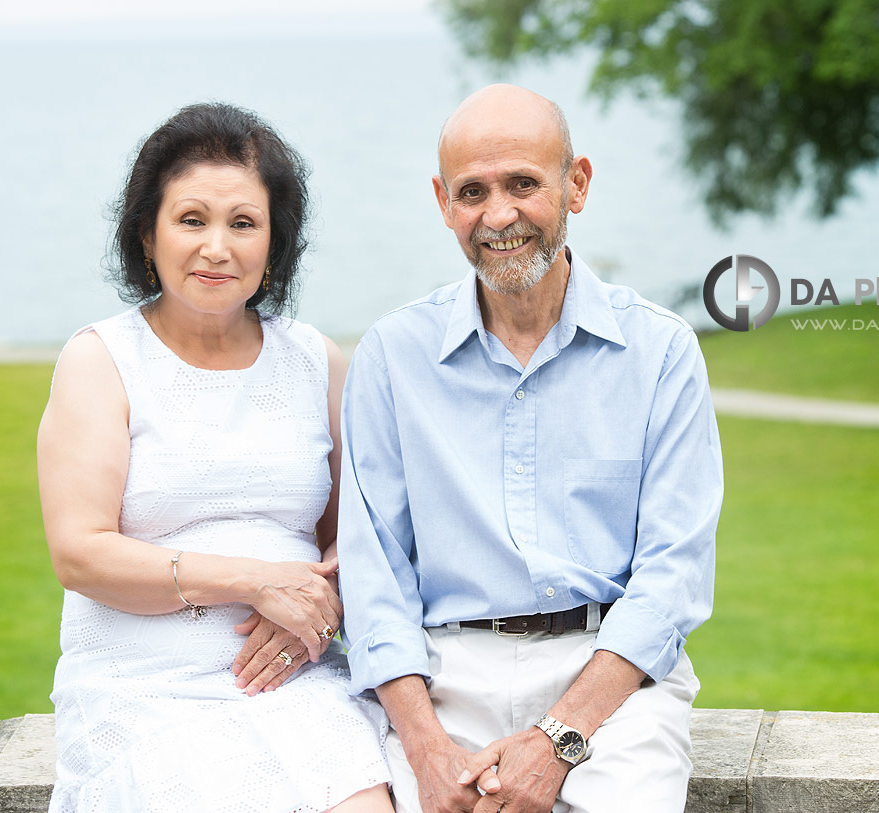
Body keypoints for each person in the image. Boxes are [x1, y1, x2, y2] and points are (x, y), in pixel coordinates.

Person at [336, 84, 724, 813]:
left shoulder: (660, 351)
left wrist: (556, 739)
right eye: (472, 191)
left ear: (576, 183)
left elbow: (671, 575)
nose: (499, 215)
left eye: (524, 183)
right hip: (440, 678)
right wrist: (425, 749)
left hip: (614, 679)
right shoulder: (393, 355)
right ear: (443, 202)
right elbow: (375, 576)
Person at [38, 103, 392, 813]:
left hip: (294, 681)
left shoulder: (315, 359)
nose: (216, 247)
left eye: (243, 223)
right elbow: (80, 553)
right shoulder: (100, 359)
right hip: (142, 692)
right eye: (191, 219)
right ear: (148, 233)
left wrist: (315, 612)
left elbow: (355, 535)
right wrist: (255, 582)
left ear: (274, 242)